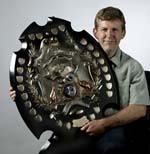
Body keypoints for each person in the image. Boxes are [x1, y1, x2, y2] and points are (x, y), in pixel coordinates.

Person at [9, 6, 150, 154]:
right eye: (104, 29)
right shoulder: (74, 58)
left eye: (115, 29)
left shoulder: (133, 67)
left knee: (112, 149)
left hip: (113, 128)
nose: (109, 35)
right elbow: (51, 87)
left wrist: (104, 123)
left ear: (123, 33)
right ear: (95, 32)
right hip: (78, 127)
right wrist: (21, 93)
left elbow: (139, 110)